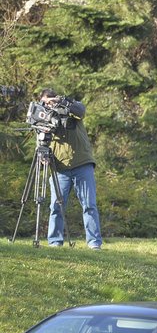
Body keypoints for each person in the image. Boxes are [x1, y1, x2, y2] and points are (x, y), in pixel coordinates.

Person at [39, 88, 103, 250]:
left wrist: (59, 101)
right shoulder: (43, 119)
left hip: (82, 163)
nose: (48, 106)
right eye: (44, 103)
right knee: (56, 206)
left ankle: (94, 243)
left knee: (89, 205)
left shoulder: (70, 108)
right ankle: (55, 242)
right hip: (59, 167)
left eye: (49, 101)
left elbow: (81, 111)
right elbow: (41, 144)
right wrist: (43, 157)